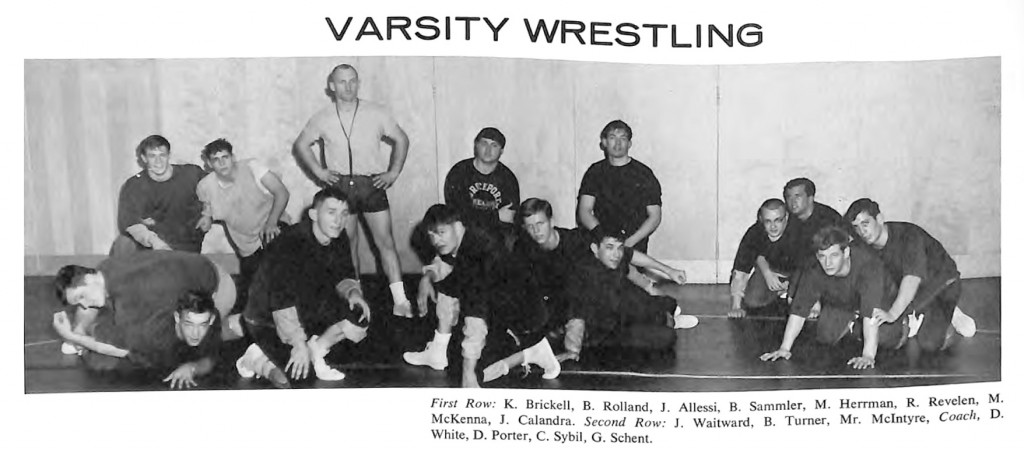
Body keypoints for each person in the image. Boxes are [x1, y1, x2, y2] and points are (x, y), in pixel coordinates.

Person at [292, 64, 413, 318]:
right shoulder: (322, 117)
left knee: (386, 243)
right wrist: (319, 172)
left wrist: (393, 172)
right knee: (348, 247)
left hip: (370, 185)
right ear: (332, 86)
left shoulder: (377, 112)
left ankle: (401, 300)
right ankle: (356, 299)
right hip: (339, 187)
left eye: (352, 81)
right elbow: (302, 145)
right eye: (342, 82)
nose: (348, 87)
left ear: (358, 83)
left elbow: (402, 139)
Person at [403, 204, 556, 388]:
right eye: (432, 235)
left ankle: (531, 352)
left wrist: (469, 372)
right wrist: (427, 277)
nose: (436, 240)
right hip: (500, 310)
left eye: (441, 233)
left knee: (470, 372)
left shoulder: (477, 257)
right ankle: (438, 348)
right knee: (449, 280)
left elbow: (476, 317)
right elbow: (446, 264)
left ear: (458, 226)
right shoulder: (466, 237)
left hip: (524, 324)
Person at [239, 188, 371, 388]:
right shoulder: (289, 243)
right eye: (331, 212)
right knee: (296, 380)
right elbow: (281, 299)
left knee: (359, 317)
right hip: (266, 317)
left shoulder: (339, 236)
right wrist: (298, 344)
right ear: (313, 214)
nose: (339, 220)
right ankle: (253, 358)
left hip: (305, 307)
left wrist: (353, 293)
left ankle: (316, 350)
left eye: (344, 213)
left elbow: (344, 274)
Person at [52, 252, 239, 386]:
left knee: (193, 335)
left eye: (82, 297)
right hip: (200, 266)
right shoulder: (104, 269)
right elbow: (88, 307)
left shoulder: (131, 304)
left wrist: (71, 336)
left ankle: (236, 325)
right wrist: (79, 329)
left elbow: (120, 350)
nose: (84, 305)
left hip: (220, 289)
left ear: (89, 279)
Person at [515, 197, 693, 333]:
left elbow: (627, 254)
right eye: (530, 226)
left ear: (551, 222)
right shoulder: (525, 251)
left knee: (643, 306)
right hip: (574, 303)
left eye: (540, 224)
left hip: (607, 289)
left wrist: (668, 271)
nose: (536, 231)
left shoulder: (577, 240)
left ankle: (665, 309)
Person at [760, 227, 906, 370]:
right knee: (825, 335)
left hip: (882, 305)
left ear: (846, 252)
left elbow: (871, 314)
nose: (828, 263)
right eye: (822, 257)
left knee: (886, 338)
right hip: (846, 303)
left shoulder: (869, 267)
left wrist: (868, 355)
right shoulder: (814, 270)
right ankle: (854, 324)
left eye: (834, 256)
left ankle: (905, 324)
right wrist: (784, 348)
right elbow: (799, 310)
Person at [844, 198, 977, 350]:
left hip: (941, 285)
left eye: (865, 224)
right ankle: (917, 313)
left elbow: (912, 279)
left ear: (879, 219)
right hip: (907, 290)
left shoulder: (908, 236)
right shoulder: (863, 244)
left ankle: (951, 312)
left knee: (929, 343)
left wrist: (893, 314)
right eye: (856, 227)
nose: (862, 232)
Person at [553, 227, 686, 364]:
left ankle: (663, 316)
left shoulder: (613, 258)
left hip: (620, 311)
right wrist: (572, 350)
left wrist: (669, 271)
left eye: (620, 247)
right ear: (595, 248)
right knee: (668, 336)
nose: (616, 254)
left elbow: (633, 255)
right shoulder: (585, 276)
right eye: (610, 247)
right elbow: (576, 316)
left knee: (669, 302)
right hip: (604, 331)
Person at [197, 138, 291, 313]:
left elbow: (282, 192)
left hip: (273, 229)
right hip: (246, 244)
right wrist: (206, 218)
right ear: (209, 164)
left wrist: (271, 222)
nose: (222, 162)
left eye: (225, 157)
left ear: (233, 157)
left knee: (278, 278)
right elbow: (207, 207)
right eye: (216, 160)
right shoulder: (205, 186)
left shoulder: (252, 167)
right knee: (252, 290)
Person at [112, 135, 206, 255]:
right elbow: (130, 223)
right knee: (123, 243)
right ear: (144, 158)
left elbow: (218, 188)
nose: (158, 161)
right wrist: (153, 241)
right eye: (152, 156)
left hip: (187, 248)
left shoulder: (192, 174)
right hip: (151, 248)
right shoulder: (134, 186)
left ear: (169, 155)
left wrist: (207, 213)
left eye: (162, 155)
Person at [577, 120, 662, 253]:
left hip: (634, 246)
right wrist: (603, 239)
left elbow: (655, 216)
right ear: (604, 142)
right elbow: (584, 210)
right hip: (602, 245)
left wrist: (629, 243)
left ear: (629, 144)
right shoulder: (595, 172)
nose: (618, 143)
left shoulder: (643, 174)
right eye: (612, 138)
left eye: (623, 138)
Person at [728, 199, 801, 318]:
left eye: (778, 220)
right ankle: (778, 292)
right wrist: (736, 307)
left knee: (797, 307)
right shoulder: (754, 233)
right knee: (753, 301)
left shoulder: (799, 231)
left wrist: (793, 286)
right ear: (761, 220)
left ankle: (788, 293)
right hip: (769, 274)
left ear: (786, 217)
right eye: (768, 221)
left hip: (796, 275)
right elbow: (741, 268)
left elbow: (809, 267)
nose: (773, 226)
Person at [443, 127, 520, 236]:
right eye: (484, 143)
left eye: (494, 145)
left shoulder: (508, 179)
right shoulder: (459, 172)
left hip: (495, 241)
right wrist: (496, 216)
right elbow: (457, 216)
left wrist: (480, 217)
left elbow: (509, 219)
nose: (488, 150)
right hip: (464, 238)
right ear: (476, 145)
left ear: (501, 151)